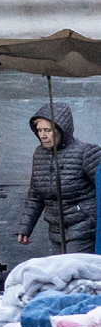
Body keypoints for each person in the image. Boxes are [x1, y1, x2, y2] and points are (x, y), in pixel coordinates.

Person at [20, 103, 98, 256]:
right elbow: (35, 194)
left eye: (48, 130)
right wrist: (25, 227)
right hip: (56, 228)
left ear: (62, 130)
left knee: (74, 271)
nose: (42, 135)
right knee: (60, 274)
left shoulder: (86, 152)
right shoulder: (39, 154)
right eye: (39, 130)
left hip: (83, 226)